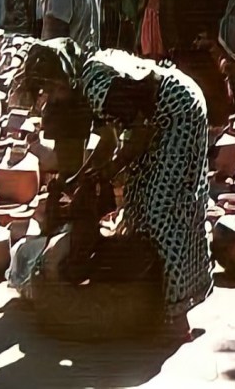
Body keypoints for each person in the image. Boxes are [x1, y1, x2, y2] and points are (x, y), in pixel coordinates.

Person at [22, 41, 213, 340]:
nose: (51, 98)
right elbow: (110, 141)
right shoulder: (88, 81)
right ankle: (155, 304)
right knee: (139, 200)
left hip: (178, 115)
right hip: (163, 117)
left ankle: (177, 319)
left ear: (64, 77)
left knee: (163, 210)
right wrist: (81, 178)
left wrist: (110, 172)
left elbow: (139, 132)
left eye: (52, 89)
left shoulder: (94, 84)